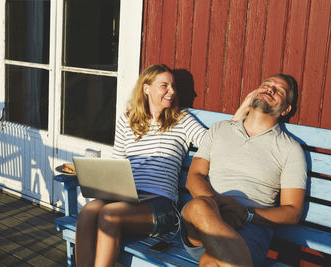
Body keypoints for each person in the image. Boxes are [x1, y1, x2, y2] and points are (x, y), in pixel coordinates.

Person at [74, 64, 249, 266]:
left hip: (160, 205)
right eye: (164, 85)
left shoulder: (181, 120)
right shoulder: (127, 120)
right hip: (128, 197)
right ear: (146, 88)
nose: (172, 91)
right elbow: (118, 161)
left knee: (109, 216)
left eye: (173, 86)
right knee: (88, 212)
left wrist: (241, 112)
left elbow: (213, 142)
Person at [181, 74, 307, 267]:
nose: (270, 89)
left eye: (279, 90)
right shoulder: (219, 129)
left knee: (211, 262)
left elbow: (292, 212)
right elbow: (194, 177)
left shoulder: (290, 149)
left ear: (286, 109)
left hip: (249, 229)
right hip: (201, 224)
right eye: (266, 85)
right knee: (199, 207)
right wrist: (223, 206)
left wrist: (245, 213)